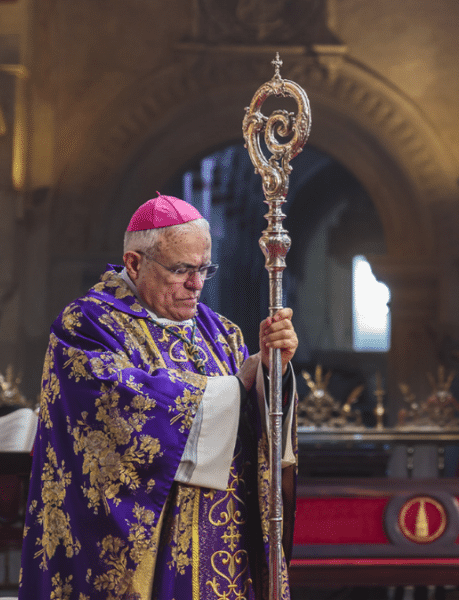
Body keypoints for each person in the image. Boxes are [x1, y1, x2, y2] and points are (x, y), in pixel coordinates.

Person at [19, 194, 299, 599]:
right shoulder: (87, 326)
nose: (197, 284)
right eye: (182, 269)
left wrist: (274, 372)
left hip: (225, 545)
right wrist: (237, 386)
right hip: (148, 555)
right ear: (134, 263)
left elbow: (256, 430)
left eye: (205, 269)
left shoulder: (222, 332)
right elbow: (121, 414)